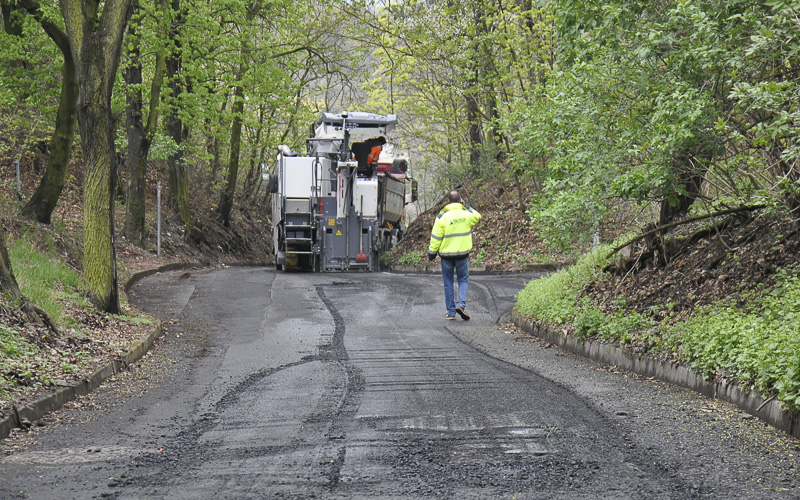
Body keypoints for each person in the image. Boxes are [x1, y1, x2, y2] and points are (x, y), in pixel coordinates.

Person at [427, 190, 482, 320]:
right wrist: (466, 205)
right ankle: (461, 305)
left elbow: (435, 237)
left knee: (448, 282)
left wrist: (432, 253)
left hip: (446, 255)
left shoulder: (442, 217)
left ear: (448, 201)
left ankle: (451, 312)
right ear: (460, 200)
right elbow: (477, 216)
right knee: (463, 280)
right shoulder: (466, 214)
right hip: (462, 254)